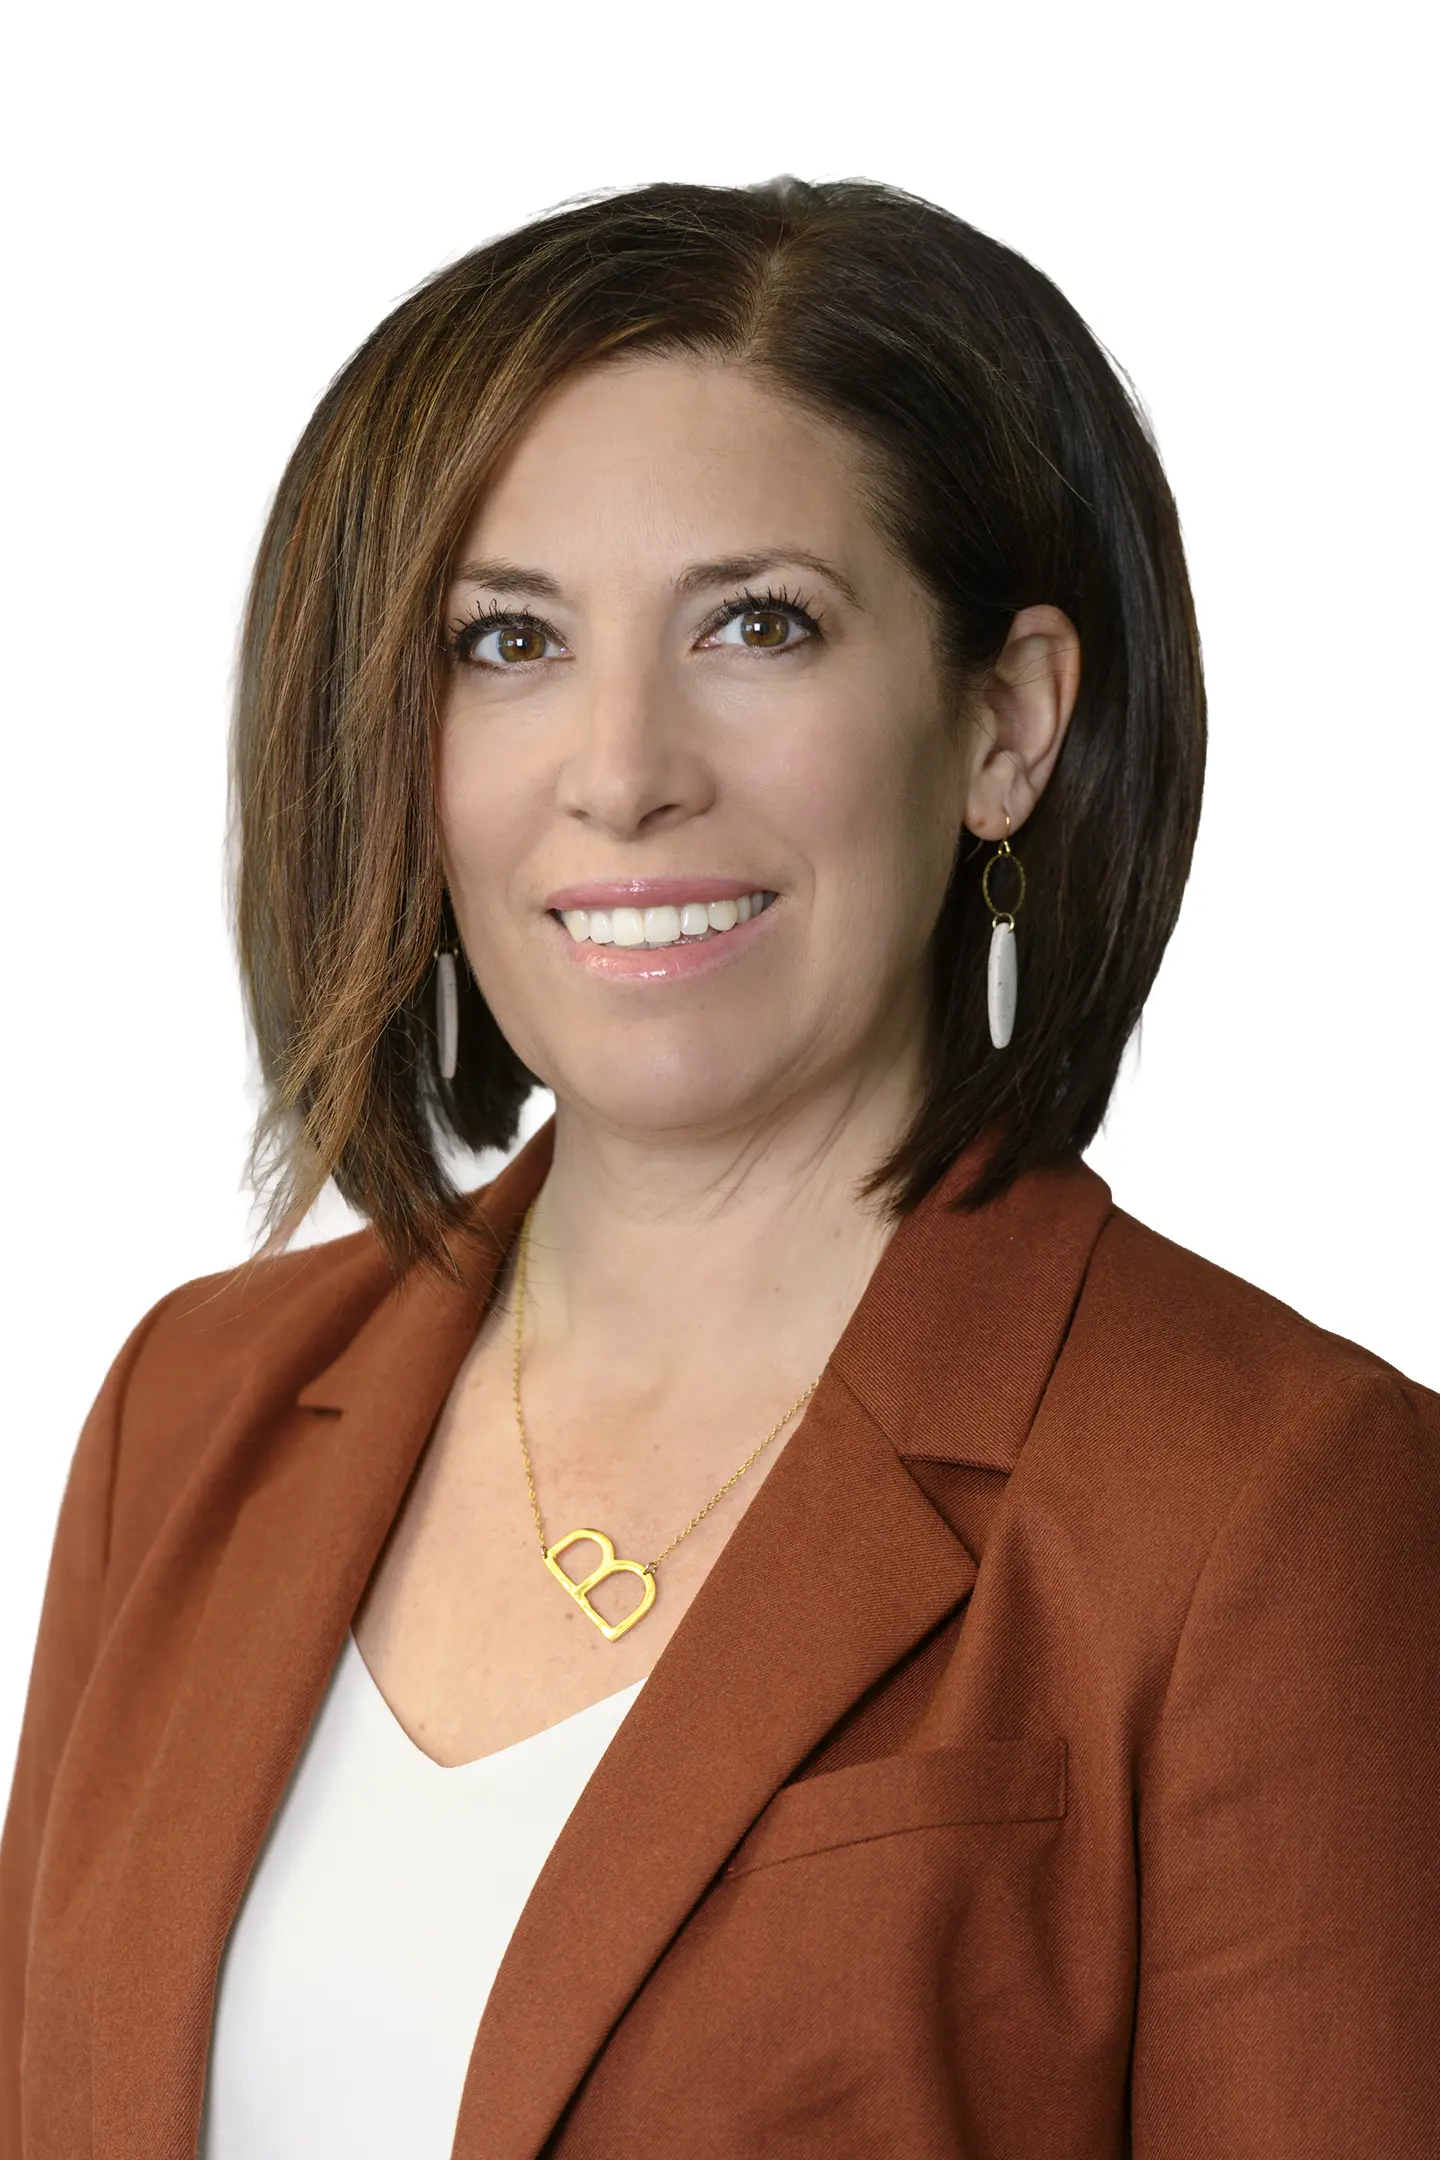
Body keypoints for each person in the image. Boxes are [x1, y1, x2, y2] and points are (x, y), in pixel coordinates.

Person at [2, 174, 1436, 2160]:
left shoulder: (1266, 1510)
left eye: (759, 625)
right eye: (506, 640)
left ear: (1005, 725)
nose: (621, 765)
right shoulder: (197, 1411)